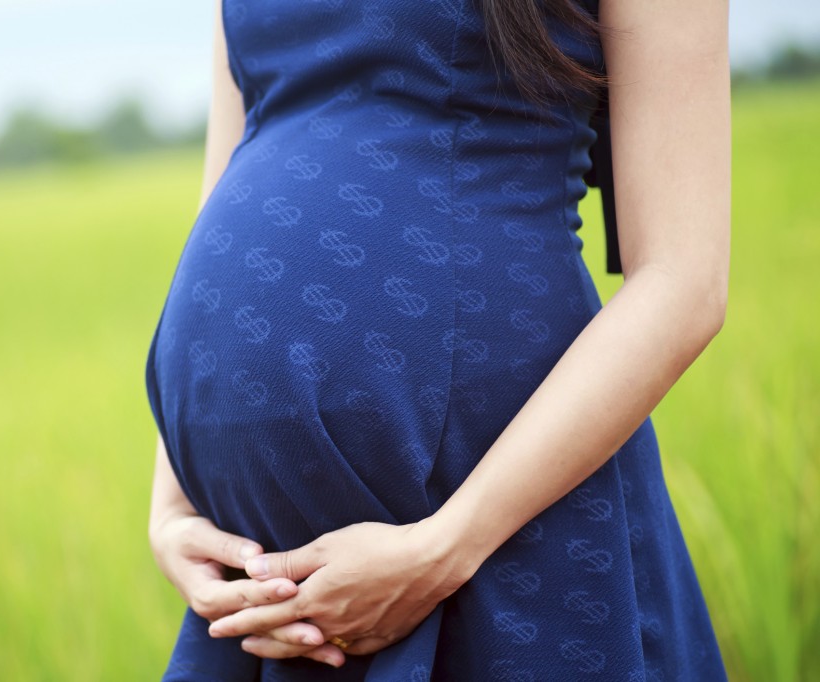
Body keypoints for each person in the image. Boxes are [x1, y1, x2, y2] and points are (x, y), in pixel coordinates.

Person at [144, 0, 731, 679]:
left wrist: (444, 549)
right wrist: (174, 505)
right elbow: (230, 179)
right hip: (267, 584)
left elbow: (684, 280)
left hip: (497, 519)